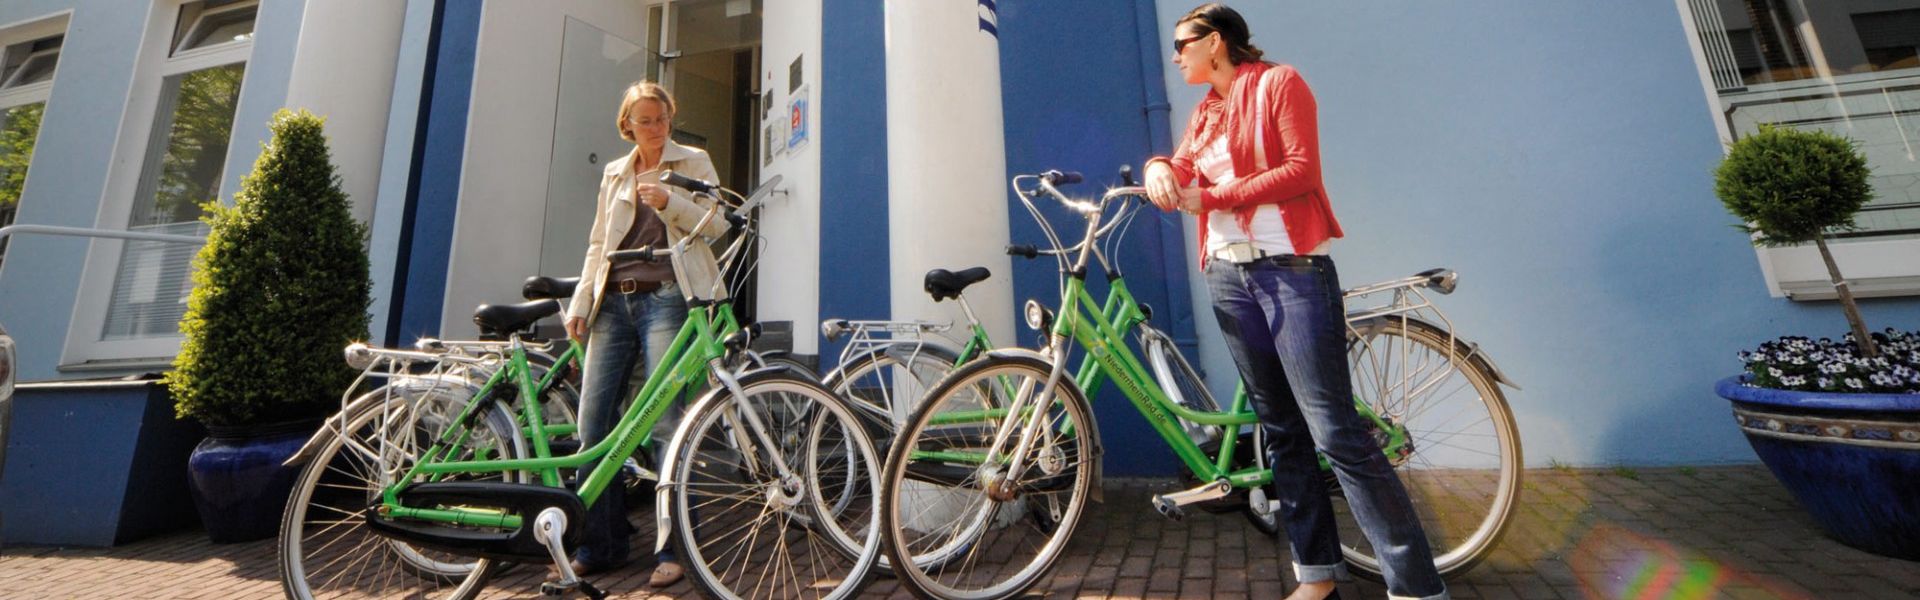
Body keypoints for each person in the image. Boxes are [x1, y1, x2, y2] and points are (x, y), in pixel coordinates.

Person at [1143, 5, 1448, 600]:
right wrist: (1159, 168)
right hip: (1228, 277)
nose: (1176, 54)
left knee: (1335, 432)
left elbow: (1301, 170)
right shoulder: (1206, 112)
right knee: (1281, 430)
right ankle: (1316, 575)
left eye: (1184, 43)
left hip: (1292, 273)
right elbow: (1179, 164)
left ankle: (1415, 585)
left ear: (1218, 42)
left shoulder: (1280, 83)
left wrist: (1214, 198)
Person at [563, 80, 730, 587]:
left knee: (664, 423)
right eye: (645, 120)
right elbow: (598, 242)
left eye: (661, 118)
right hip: (612, 301)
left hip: (667, 299)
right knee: (593, 425)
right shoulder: (615, 171)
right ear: (627, 125)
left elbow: (718, 222)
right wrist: (582, 301)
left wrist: (669, 203)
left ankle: (672, 548)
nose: (656, 128)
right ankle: (602, 543)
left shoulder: (693, 162)